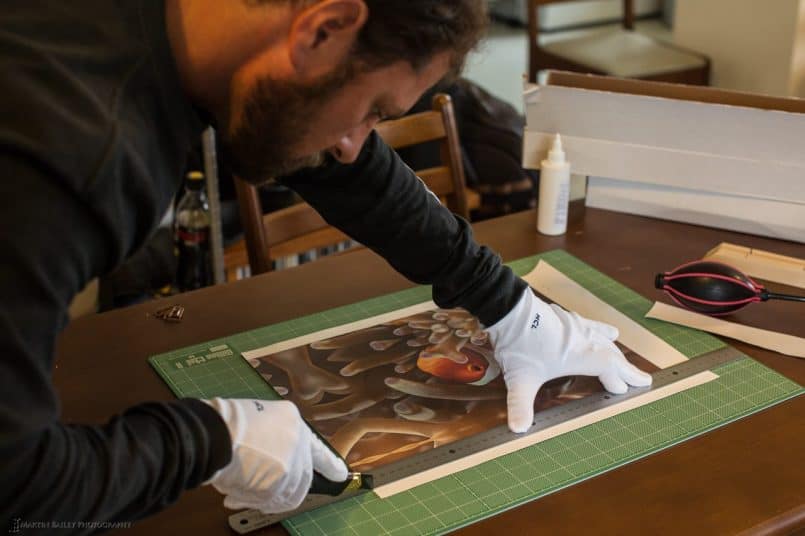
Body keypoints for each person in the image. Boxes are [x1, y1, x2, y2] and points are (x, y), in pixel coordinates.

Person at [0, 0, 652, 530]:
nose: (352, 145)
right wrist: (206, 440)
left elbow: (350, 170)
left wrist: (507, 304)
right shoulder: (63, 156)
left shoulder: (190, 33)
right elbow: (18, 474)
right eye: (373, 111)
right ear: (325, 26)